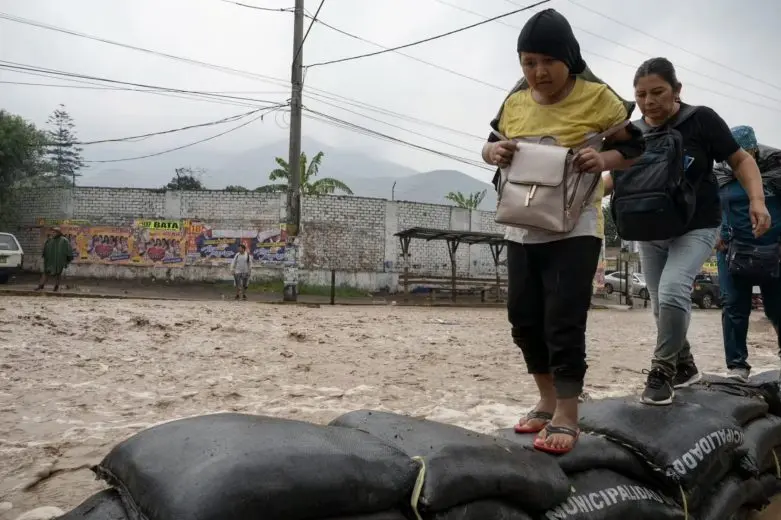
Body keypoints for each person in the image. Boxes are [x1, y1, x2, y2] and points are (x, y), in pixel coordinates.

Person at [482, 9, 644, 453]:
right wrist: (494, 152)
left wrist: (604, 160)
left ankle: (568, 413)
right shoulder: (515, 101)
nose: (538, 72)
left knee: (563, 319)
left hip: (576, 228)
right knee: (523, 317)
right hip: (522, 225)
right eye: (528, 62)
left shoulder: (598, 97)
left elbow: (635, 147)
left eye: (547, 61)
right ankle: (546, 399)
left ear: (568, 58)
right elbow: (488, 145)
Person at [607, 58, 770, 405]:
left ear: (677, 90)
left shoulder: (701, 120)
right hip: (648, 228)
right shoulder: (632, 133)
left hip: (697, 224)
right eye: (641, 95)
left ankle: (662, 371)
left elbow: (741, 160)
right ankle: (685, 367)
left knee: (672, 292)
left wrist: (757, 200)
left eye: (657, 92)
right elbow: (613, 178)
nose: (649, 101)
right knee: (659, 306)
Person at [715, 126, 781, 381]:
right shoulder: (720, 175)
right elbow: (706, 206)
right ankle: (737, 366)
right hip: (732, 251)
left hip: (774, 251)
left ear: (754, 151)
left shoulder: (775, 171)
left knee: (777, 307)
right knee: (734, 305)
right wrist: (714, 234)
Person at [36, 226, 74, 292]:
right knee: (45, 273)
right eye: (52, 232)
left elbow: (69, 250)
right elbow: (45, 249)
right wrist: (44, 256)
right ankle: (41, 285)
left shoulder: (64, 240)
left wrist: (68, 258)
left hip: (59, 261)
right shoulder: (50, 240)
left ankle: (56, 286)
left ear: (58, 233)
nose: (52, 233)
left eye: (54, 232)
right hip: (50, 260)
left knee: (58, 274)